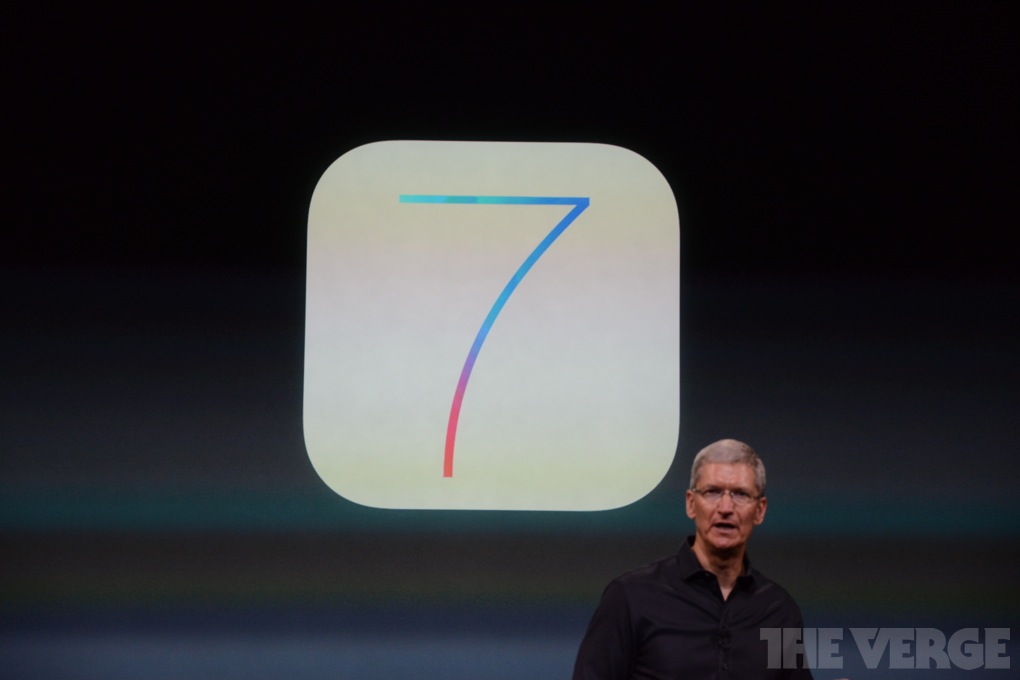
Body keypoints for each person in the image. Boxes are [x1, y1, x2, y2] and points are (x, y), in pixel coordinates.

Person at [572, 439, 813, 679]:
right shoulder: (631, 597)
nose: (725, 507)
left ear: (760, 510)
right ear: (691, 504)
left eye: (740, 494)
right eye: (712, 492)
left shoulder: (778, 611)